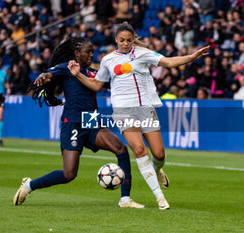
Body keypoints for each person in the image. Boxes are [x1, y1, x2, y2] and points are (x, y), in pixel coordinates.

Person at [68, 22, 209, 210]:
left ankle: (157, 169)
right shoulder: (108, 60)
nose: (125, 43)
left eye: (129, 40)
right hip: (123, 110)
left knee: (159, 154)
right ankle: (160, 199)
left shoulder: (143, 53)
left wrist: (191, 57)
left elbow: (168, 62)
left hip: (145, 108)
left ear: (133, 39)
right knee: (139, 150)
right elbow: (96, 85)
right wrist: (78, 75)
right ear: (116, 40)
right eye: (121, 40)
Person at [13, 37, 145, 209]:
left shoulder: (92, 72)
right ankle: (29, 186)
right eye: (87, 51)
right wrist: (44, 76)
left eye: (92, 51)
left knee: (121, 149)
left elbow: (111, 82)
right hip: (73, 122)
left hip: (91, 120)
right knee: (69, 174)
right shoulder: (67, 67)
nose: (91, 54)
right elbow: (50, 74)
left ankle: (125, 199)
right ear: (77, 53)